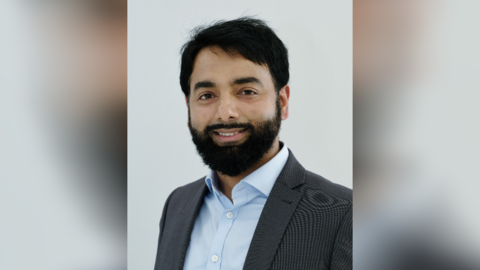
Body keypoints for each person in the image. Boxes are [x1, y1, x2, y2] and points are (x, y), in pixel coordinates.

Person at [154, 17, 352, 270]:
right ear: (188, 106)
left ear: (283, 101)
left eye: (247, 91)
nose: (225, 113)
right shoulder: (178, 204)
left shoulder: (344, 214)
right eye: (206, 95)